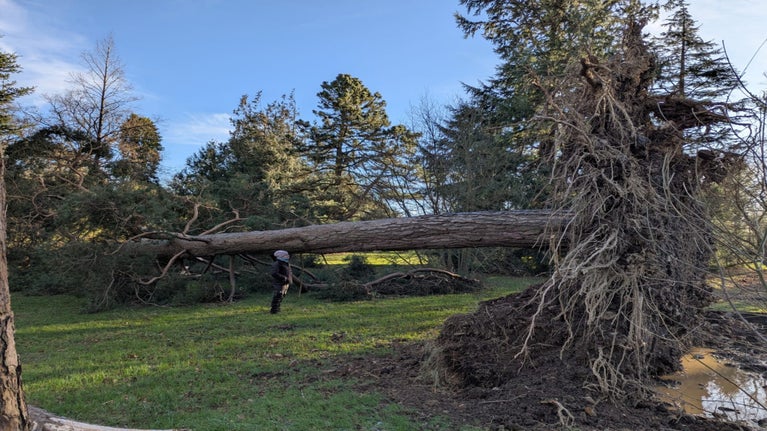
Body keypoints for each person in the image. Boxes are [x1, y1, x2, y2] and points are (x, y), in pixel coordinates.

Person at [269, 250, 292, 314]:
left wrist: (289, 280)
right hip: (279, 282)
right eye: (285, 255)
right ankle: (274, 310)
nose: (287, 256)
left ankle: (278, 308)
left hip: (285, 283)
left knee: (282, 295)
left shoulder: (286, 263)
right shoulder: (277, 263)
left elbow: (289, 272)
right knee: (278, 295)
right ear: (281, 256)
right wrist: (283, 278)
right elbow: (274, 273)